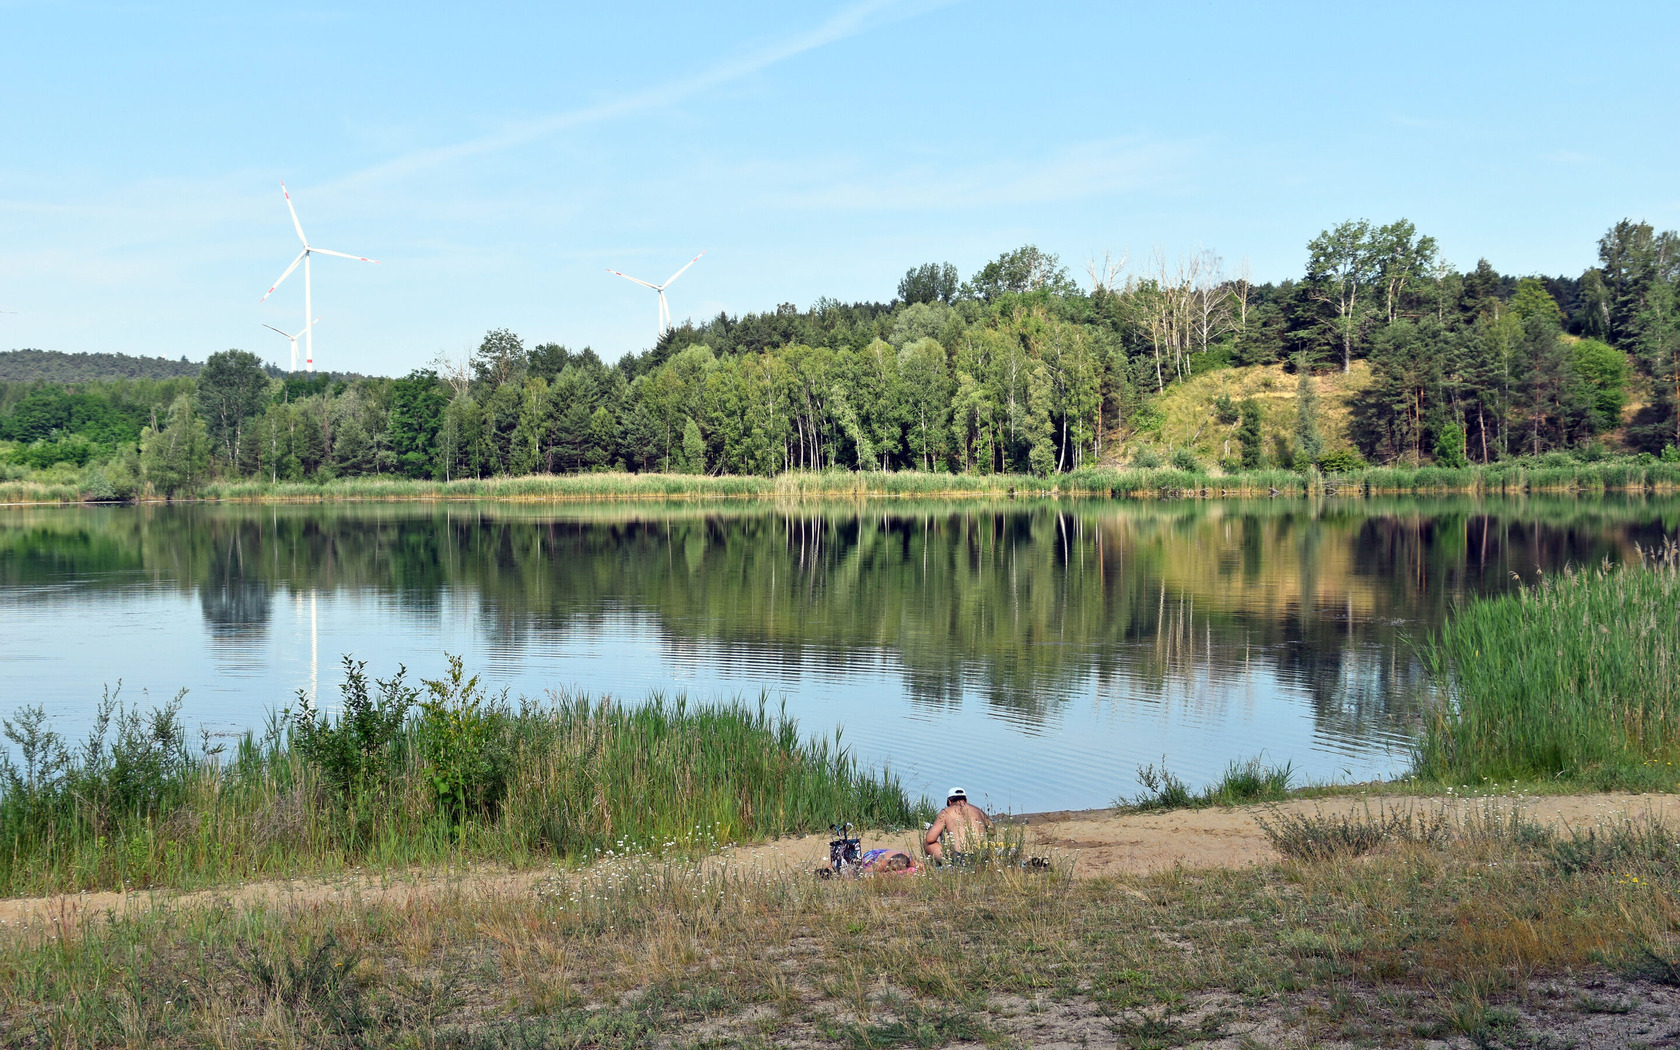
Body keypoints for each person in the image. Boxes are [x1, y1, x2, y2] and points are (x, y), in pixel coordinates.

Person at [923, 787, 991, 866]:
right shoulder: (978, 810)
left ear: (949, 801)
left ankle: (939, 867)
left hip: (960, 858)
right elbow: (992, 831)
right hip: (982, 856)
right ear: (966, 800)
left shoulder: (946, 812)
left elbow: (930, 839)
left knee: (927, 843)